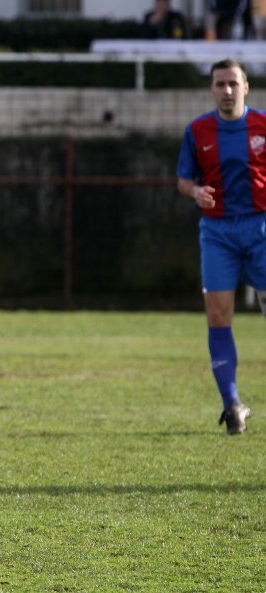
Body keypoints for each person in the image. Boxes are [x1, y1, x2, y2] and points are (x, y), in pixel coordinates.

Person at [176, 58, 260, 435]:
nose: (227, 91)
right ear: (211, 89)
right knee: (218, 314)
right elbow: (183, 181)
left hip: (261, 228)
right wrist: (196, 191)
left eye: (232, 83)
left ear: (246, 86)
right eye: (219, 84)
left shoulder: (262, 126)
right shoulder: (197, 131)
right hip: (218, 233)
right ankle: (232, 406)